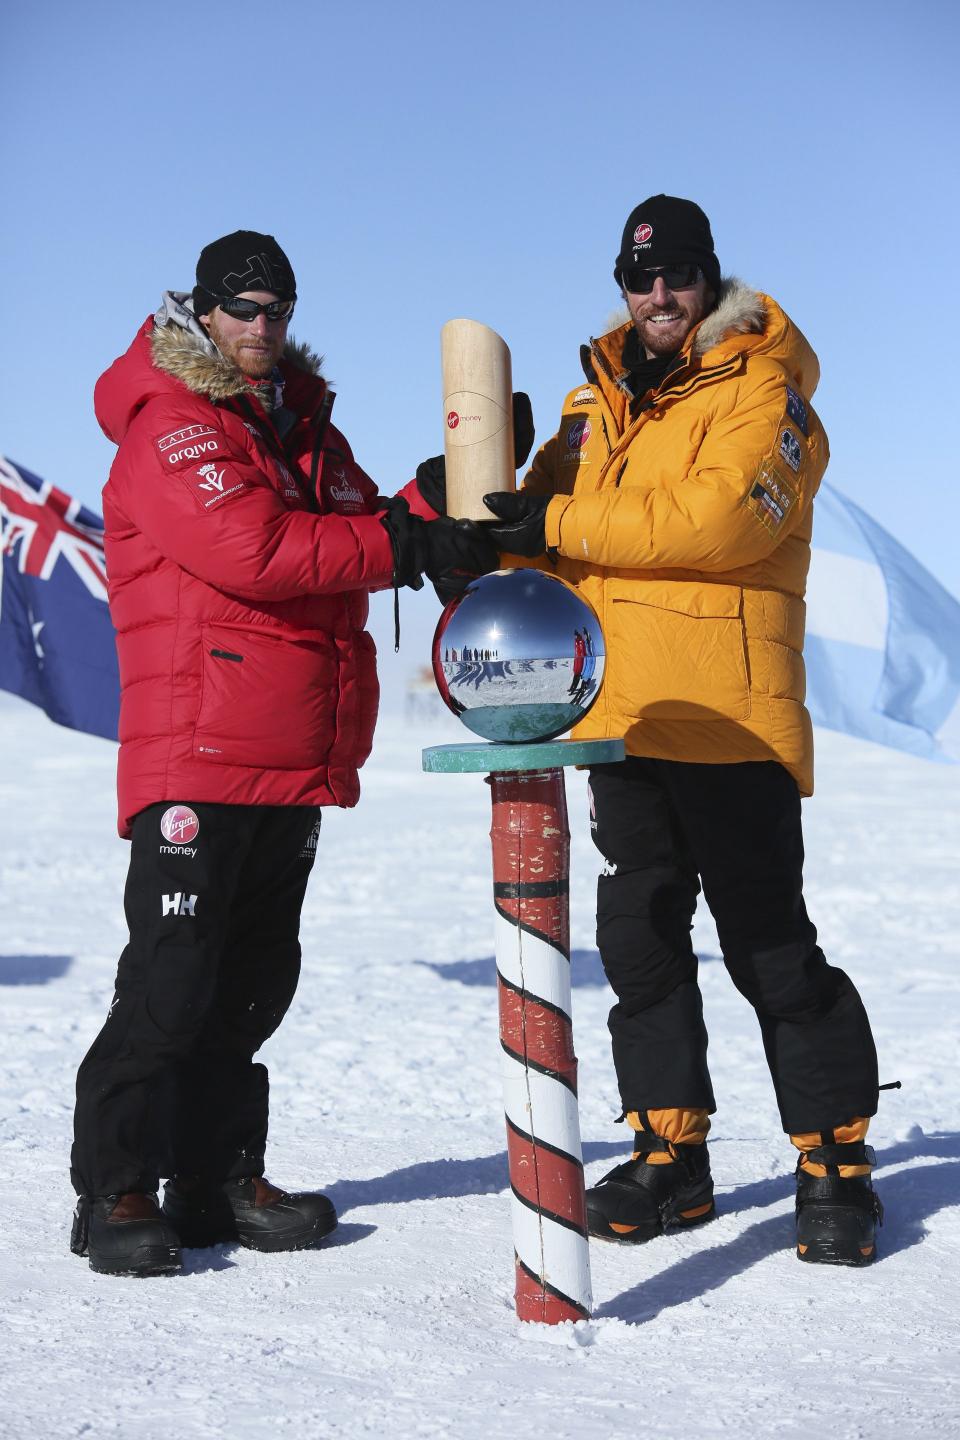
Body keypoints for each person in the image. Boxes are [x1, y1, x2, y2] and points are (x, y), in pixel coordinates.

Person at [70, 230, 497, 1276]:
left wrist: (450, 487)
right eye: (244, 309)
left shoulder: (302, 425)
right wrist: (406, 548)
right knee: (172, 985)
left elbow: (361, 520)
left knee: (254, 983)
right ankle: (115, 1191)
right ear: (203, 309)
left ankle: (215, 1183)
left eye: (278, 312)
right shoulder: (171, 423)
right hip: (198, 753)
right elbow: (256, 550)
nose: (263, 329)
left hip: (289, 750)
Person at [481, 195, 884, 1266]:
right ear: (622, 285)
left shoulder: (770, 393)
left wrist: (554, 518)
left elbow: (714, 525)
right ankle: (673, 1155)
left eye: (679, 274)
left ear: (711, 279)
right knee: (642, 944)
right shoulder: (592, 404)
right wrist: (481, 503)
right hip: (621, 715)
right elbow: (542, 553)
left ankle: (835, 1163)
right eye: (638, 277)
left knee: (771, 952)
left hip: (731, 721)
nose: (657, 295)